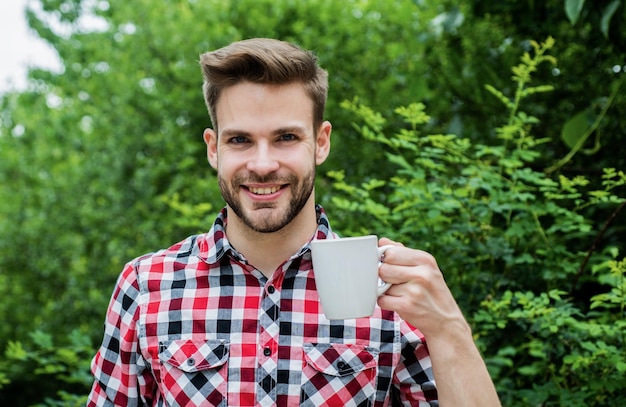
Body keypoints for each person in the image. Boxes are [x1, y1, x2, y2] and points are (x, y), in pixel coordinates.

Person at [87, 38, 501, 407]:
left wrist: (448, 328)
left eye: (286, 137)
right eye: (240, 140)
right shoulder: (146, 286)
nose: (263, 164)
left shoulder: (392, 292)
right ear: (213, 149)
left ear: (320, 142)